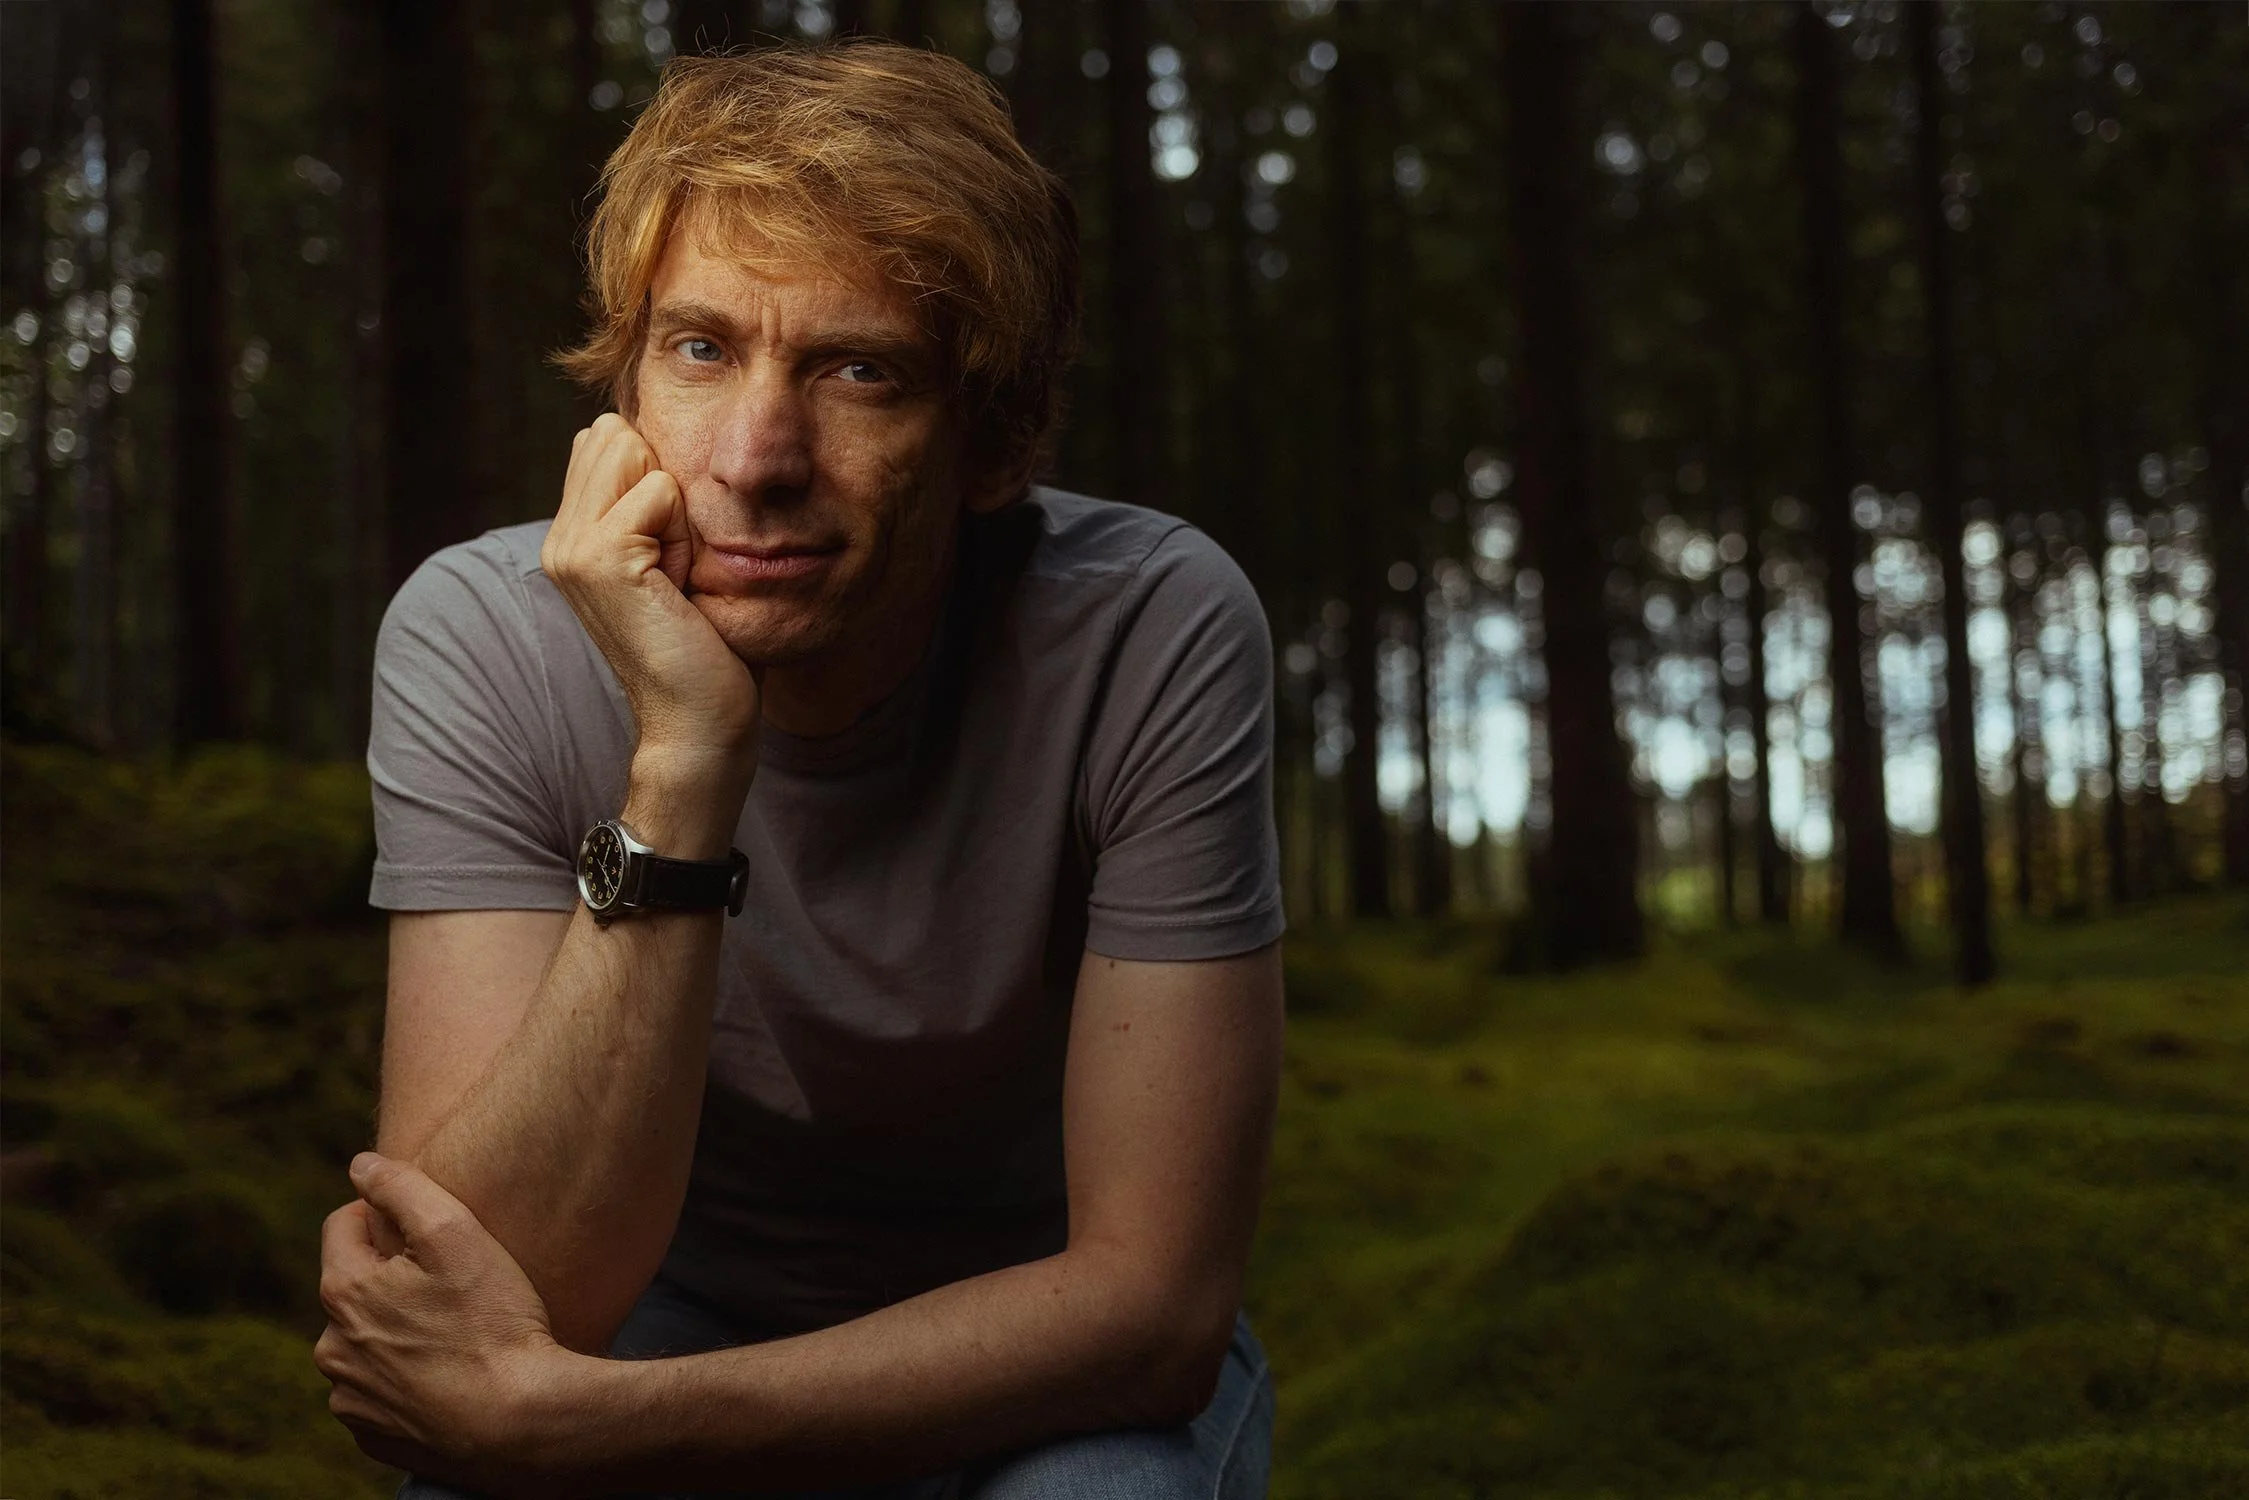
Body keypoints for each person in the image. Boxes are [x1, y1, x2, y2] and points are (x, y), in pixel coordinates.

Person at [312, 39, 1285, 1500]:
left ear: (992, 439)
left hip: (1034, 1355)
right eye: (702, 350)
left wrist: (589, 1428)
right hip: (653, 1312)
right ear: (624, 384)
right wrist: (686, 759)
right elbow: (490, 1294)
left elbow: (1151, 1314)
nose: (759, 456)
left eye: (861, 370)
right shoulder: (482, 634)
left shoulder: (1149, 627)